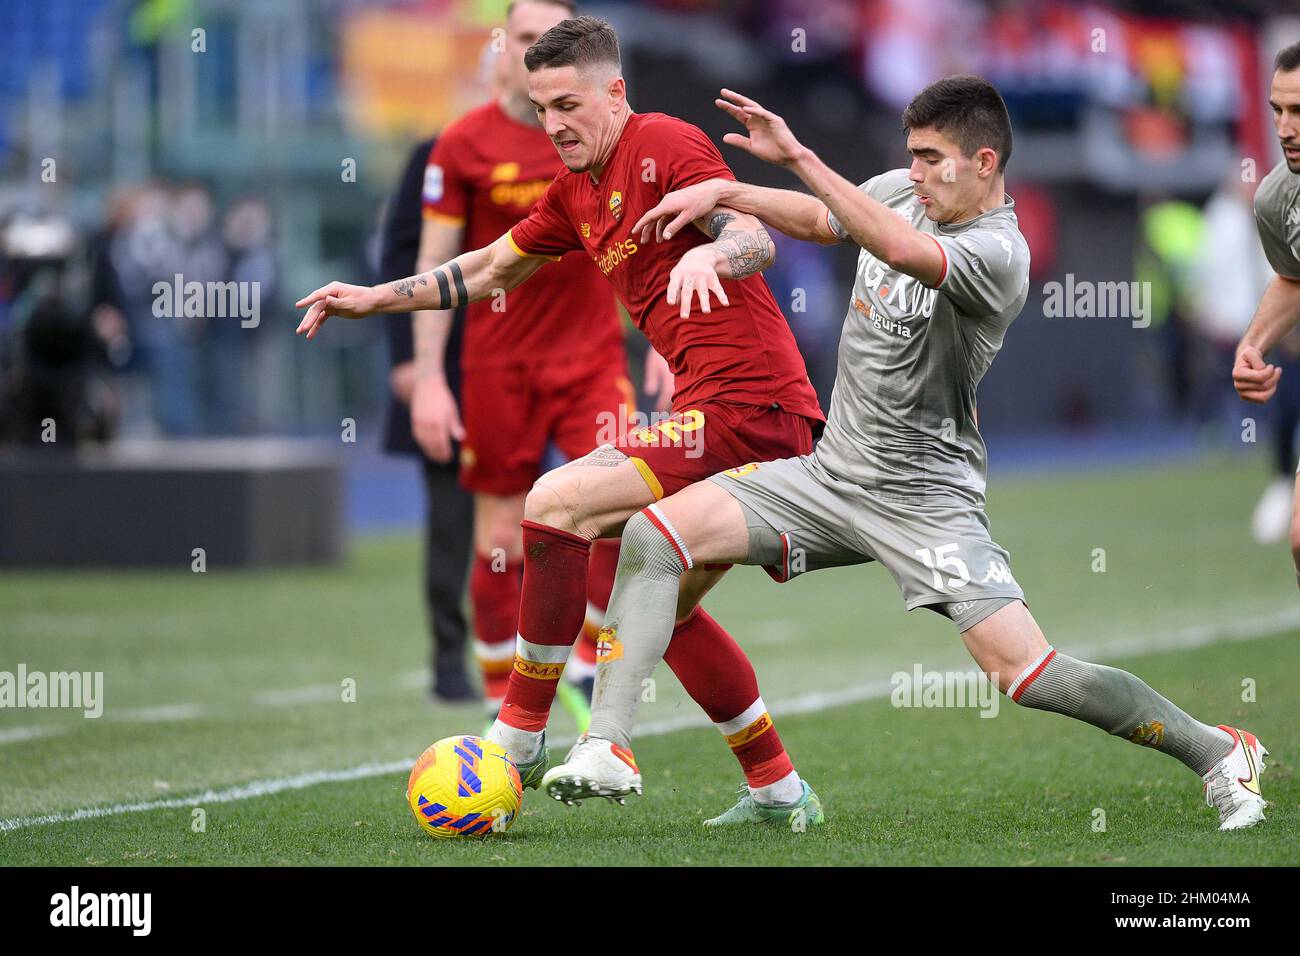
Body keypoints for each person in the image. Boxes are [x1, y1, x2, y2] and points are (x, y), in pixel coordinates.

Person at [544, 77, 1270, 832]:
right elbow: (830, 220)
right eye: (910, 156)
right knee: (652, 535)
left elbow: (892, 244)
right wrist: (730, 194)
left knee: (1025, 673)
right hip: (831, 475)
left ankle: (1219, 748)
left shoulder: (1000, 253)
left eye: (930, 158)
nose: (914, 173)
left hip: (926, 499)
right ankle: (608, 747)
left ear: (984, 161)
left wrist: (795, 153)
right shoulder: (904, 190)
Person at [296, 16, 828, 823]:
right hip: (710, 411)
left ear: (615, 92)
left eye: (569, 105)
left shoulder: (664, 144)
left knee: (554, 502)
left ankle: (519, 734)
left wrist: (712, 254)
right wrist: (376, 300)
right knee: (661, 604)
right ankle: (779, 790)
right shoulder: (574, 191)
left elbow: (751, 231)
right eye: (541, 107)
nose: (554, 125)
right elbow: (492, 264)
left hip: (750, 408)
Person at [408, 0, 645, 724]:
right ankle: (493, 700)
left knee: (626, 510)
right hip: (497, 366)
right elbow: (437, 264)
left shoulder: (600, 136)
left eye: (550, 38)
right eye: (523, 38)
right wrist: (426, 381)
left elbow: (645, 244)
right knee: (501, 537)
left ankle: (578, 669)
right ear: (501, 46)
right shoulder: (462, 144)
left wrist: (662, 343)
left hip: (590, 357)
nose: (535, 48)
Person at [379, 133, 476, 701]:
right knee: (450, 521)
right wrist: (410, 360)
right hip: (449, 365)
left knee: (535, 524)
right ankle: (448, 660)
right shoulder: (441, 151)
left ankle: (538, 664)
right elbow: (401, 254)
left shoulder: (565, 151)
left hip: (538, 369)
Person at [1234, 41, 1300, 587]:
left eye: (1299, 111)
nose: (1284, 127)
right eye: (1277, 109)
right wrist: (1252, 345)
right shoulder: (1276, 199)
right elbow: (1294, 277)